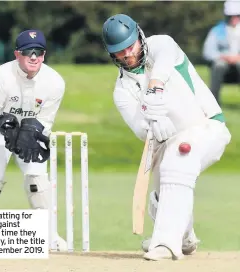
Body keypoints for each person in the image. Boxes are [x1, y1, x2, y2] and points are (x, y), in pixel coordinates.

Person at [102, 14, 231, 261]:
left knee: (177, 160)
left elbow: (163, 60)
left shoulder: (161, 44)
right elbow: (140, 129)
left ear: (139, 36)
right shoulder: (122, 91)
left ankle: (165, 244)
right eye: (120, 52)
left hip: (207, 127)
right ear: (112, 55)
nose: (127, 54)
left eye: (130, 46)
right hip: (166, 142)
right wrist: (153, 122)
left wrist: (155, 89)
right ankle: (184, 237)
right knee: (163, 193)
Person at [0, 29, 67, 251]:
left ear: (44, 55)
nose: (34, 57)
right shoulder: (2, 75)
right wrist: (5, 125)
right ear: (17, 54)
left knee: (37, 178)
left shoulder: (55, 82)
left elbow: (46, 121)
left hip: (29, 136)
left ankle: (49, 237)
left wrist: (33, 133)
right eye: (28, 52)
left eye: (39, 52)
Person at [203, 0, 240, 104]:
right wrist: (224, 56)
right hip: (223, 67)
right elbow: (208, 51)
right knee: (219, 65)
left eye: (237, 16)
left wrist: (237, 58)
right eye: (231, 16)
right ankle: (213, 103)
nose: (234, 19)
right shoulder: (217, 30)